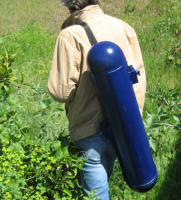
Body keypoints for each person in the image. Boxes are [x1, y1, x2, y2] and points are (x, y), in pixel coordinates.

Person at [48, 0, 146, 199]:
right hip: (123, 127)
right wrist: (132, 119)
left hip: (89, 131)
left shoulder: (70, 35)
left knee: (96, 195)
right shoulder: (124, 27)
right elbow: (138, 78)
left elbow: (60, 92)